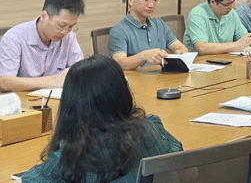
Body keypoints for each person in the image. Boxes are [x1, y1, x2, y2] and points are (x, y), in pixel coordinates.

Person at [19, 54, 183, 183]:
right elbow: (182, 162)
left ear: (72, 102)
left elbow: (28, 180)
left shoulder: (71, 154)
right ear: (122, 92)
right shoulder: (152, 128)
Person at [0, 0, 85, 92]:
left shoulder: (69, 37)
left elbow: (81, 71)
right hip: (23, 100)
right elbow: (5, 82)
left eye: (71, 26)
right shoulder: (14, 37)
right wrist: (53, 80)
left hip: (54, 98)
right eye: (61, 26)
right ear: (44, 16)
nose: (65, 32)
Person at [109, 0, 187, 70]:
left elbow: (181, 48)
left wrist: (179, 54)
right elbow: (120, 63)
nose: (151, 5)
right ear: (131, 0)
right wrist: (143, 56)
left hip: (161, 77)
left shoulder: (159, 24)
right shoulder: (119, 30)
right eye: (147, 0)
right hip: (136, 79)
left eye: (155, 0)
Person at [183, 0, 251, 55]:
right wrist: (235, 45)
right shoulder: (197, 15)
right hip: (200, 61)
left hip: (224, 60)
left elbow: (244, 38)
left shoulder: (231, 13)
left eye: (232, 2)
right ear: (212, 2)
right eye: (227, 4)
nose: (232, 7)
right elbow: (202, 48)